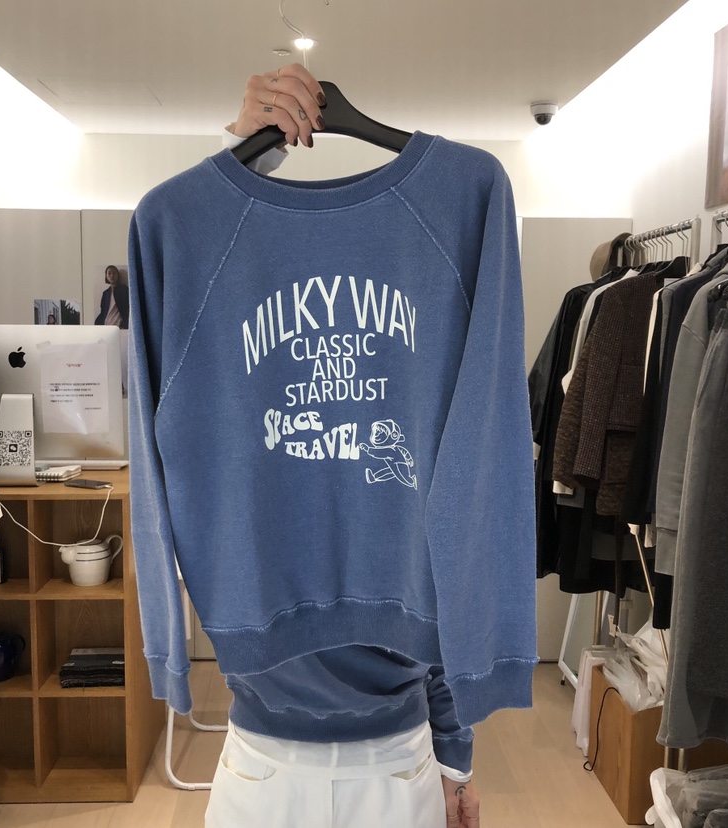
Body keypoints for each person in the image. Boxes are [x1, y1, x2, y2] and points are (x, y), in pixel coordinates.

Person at [212, 63, 482, 828]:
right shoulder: (228, 342)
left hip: (296, 763)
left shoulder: (455, 240)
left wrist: (453, 758)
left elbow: (452, 569)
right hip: (374, 762)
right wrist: (245, 154)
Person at [95, 264, 129, 328]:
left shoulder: (124, 290)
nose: (112, 276)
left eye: (114, 273)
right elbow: (103, 311)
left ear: (117, 275)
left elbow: (127, 308)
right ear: (106, 276)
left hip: (119, 325)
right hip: (106, 325)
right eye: (109, 273)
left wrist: (124, 323)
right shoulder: (105, 293)